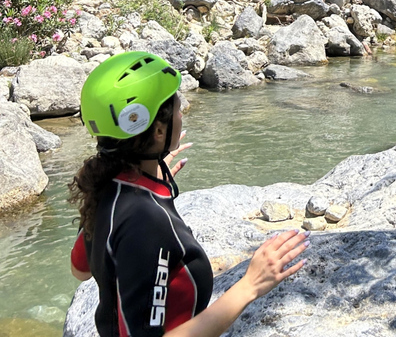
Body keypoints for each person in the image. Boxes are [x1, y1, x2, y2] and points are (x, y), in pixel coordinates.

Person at [68, 51, 309, 337]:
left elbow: (81, 270)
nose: (182, 114)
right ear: (158, 130)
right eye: (178, 108)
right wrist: (250, 285)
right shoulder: (146, 222)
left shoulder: (108, 186)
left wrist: (151, 180)